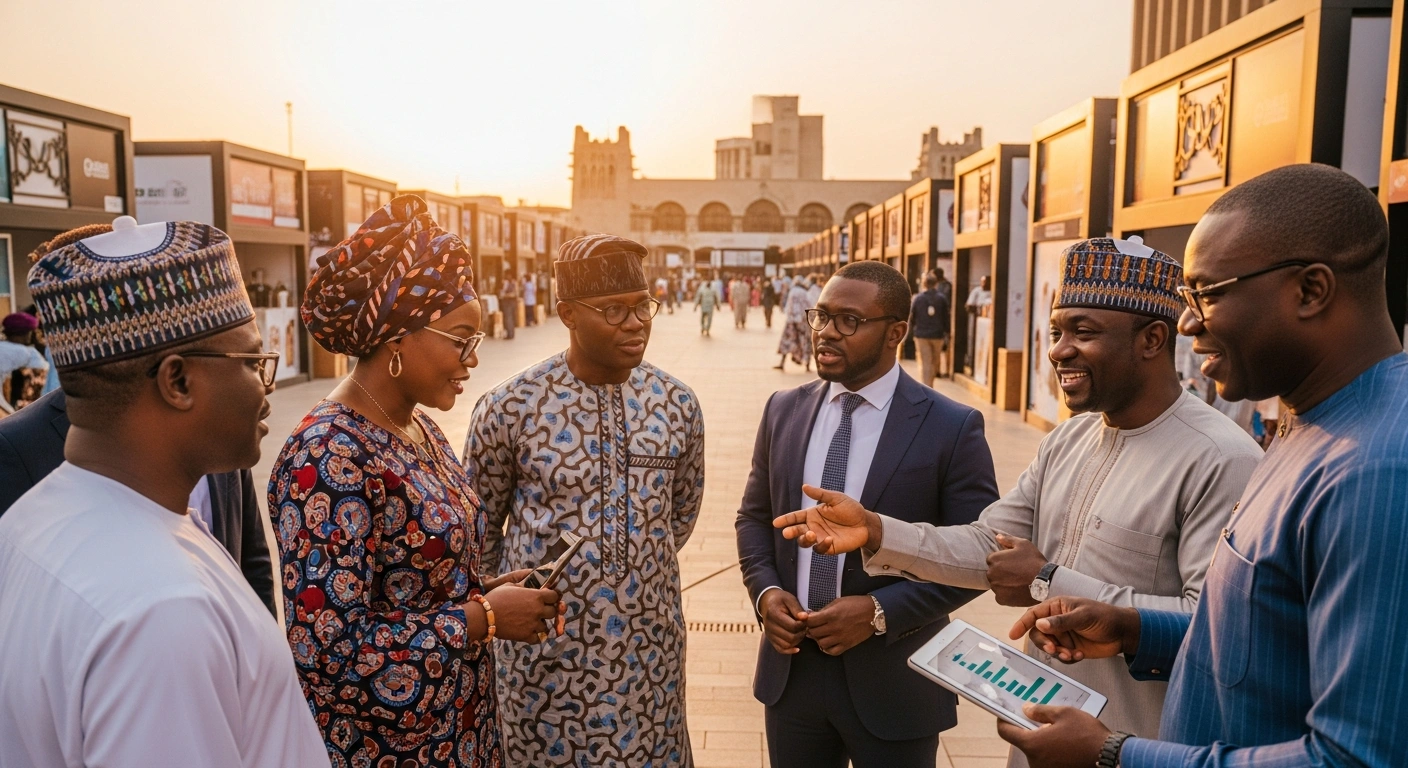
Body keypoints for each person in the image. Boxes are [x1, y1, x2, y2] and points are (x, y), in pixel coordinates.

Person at [772, 238, 1261, 764]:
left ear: (1153, 338)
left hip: (1139, 745)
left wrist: (1049, 579)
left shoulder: (1220, 459)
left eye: (1084, 332)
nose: (1057, 350)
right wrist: (877, 531)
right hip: (1043, 739)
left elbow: (1215, 627)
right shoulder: (1069, 440)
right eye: (1056, 332)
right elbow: (988, 544)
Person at [990, 164, 1408, 768]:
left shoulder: (1377, 472)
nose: (1187, 323)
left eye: (1208, 294)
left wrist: (1115, 756)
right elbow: (1262, 640)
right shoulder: (1310, 427)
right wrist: (1133, 628)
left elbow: (1355, 758)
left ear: (1310, 291)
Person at [0, 216, 325, 766]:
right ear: (177, 381)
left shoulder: (31, 522)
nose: (264, 388)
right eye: (251, 362)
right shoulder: (162, 613)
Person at [279, 196, 562, 766]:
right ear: (397, 336)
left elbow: (408, 584)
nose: (473, 360)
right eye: (461, 339)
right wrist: (482, 619)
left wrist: (482, 588)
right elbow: (328, 654)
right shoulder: (326, 456)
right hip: (388, 750)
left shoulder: (420, 427)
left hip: (463, 734)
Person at [737, 260, 998, 768]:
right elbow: (754, 517)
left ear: (896, 332)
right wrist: (766, 595)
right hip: (792, 675)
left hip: (896, 681)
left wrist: (880, 614)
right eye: (821, 316)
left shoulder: (951, 425)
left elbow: (977, 557)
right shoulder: (783, 408)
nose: (826, 333)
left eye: (849, 321)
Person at [466, 233, 706, 767]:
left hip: (650, 653)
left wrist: (625, 579)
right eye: (614, 310)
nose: (637, 322)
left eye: (644, 306)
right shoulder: (512, 407)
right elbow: (478, 528)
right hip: (545, 659)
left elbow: (680, 516)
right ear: (567, 313)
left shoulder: (676, 403)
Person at [0, 312, 48, 413]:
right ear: (23, 334)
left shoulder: (4, 347)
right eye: (29, 333)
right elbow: (42, 375)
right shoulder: (25, 352)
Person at [908, 273, 951, 385]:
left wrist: (912, 330)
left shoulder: (918, 298)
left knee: (926, 361)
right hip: (938, 334)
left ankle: (927, 386)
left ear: (924, 284)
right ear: (936, 284)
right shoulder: (942, 298)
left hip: (921, 334)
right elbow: (946, 317)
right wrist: (947, 332)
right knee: (935, 361)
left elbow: (912, 316)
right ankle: (929, 384)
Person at [776, 276, 813, 371]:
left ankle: (782, 363)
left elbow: (788, 307)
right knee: (805, 341)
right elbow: (809, 306)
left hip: (791, 321)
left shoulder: (792, 292)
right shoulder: (805, 293)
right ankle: (807, 365)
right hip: (803, 321)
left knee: (787, 341)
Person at [499, 270, 520, 339]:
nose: (507, 277)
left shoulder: (513, 283)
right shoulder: (506, 282)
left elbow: (515, 293)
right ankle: (510, 333)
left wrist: (506, 295)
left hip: (510, 302)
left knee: (509, 318)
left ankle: (510, 334)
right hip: (508, 302)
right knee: (508, 318)